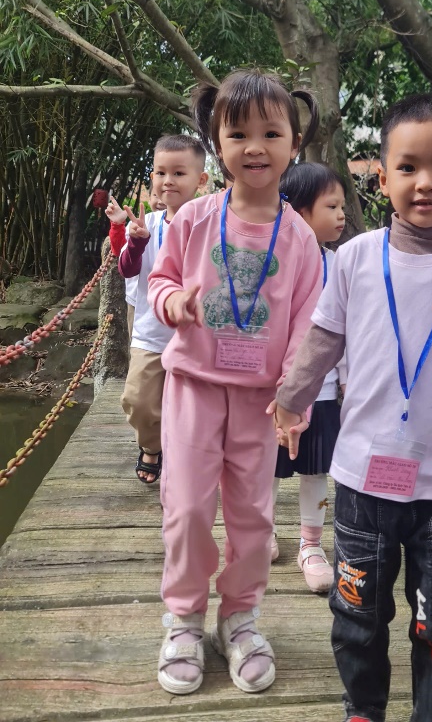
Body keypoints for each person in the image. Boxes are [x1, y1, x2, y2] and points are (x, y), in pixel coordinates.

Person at [271, 94, 432, 722]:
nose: (425, 182)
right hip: (362, 481)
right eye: (408, 167)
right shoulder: (356, 258)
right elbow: (323, 339)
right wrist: (290, 400)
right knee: (357, 615)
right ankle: (363, 710)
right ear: (381, 178)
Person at [147, 69, 323, 697]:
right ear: (216, 142)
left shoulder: (301, 239)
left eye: (271, 133)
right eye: (238, 133)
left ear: (294, 143)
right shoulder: (193, 218)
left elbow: (307, 325)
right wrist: (173, 303)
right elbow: (161, 279)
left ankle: (240, 617)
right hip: (193, 388)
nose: (255, 147)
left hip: (260, 402)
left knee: (253, 517)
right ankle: (184, 619)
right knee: (187, 509)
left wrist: (293, 401)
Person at [272, 162, 347, 593]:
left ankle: (311, 545)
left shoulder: (339, 264)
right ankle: (261, 531)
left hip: (322, 389)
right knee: (265, 466)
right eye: (331, 206)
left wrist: (348, 380)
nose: (341, 215)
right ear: (300, 212)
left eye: (341, 206)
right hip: (273, 392)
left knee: (316, 469)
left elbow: (348, 329)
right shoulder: (271, 262)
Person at [118, 136, 209, 483]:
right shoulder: (148, 225)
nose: (168, 180)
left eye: (178, 173)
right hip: (151, 334)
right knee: (138, 400)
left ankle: (185, 456)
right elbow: (127, 269)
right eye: (160, 172)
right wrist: (136, 243)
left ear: (201, 180)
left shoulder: (211, 226)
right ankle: (151, 445)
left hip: (197, 336)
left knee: (197, 407)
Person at [106, 188, 166, 339]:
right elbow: (120, 251)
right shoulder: (140, 223)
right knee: (138, 344)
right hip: (139, 301)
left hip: (175, 301)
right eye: (156, 195)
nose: (160, 201)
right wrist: (118, 225)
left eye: (164, 195)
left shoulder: (189, 221)